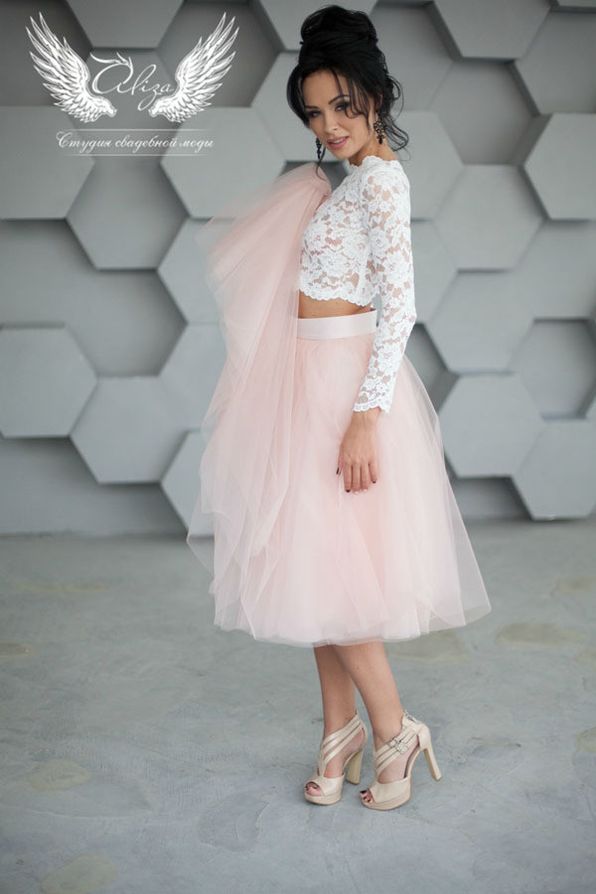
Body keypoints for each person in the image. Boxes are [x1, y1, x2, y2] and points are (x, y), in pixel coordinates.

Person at [186, 5, 491, 811]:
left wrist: (365, 415)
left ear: (377, 97)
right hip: (307, 383)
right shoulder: (349, 183)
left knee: (337, 572)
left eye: (344, 107)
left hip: (346, 392)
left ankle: (395, 729)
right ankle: (339, 729)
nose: (330, 126)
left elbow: (401, 307)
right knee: (311, 565)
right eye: (315, 113)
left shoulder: (383, 182)